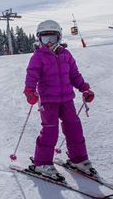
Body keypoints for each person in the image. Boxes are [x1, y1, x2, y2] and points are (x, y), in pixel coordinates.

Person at [24, 20, 96, 180]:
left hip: (67, 100)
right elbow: (32, 74)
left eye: (52, 38)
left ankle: (79, 160)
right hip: (48, 101)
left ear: (59, 37)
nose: (49, 43)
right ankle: (42, 163)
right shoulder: (38, 56)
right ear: (39, 39)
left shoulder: (66, 55)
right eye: (45, 39)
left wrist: (84, 88)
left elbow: (74, 75)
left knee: (74, 128)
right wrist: (29, 90)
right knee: (50, 131)